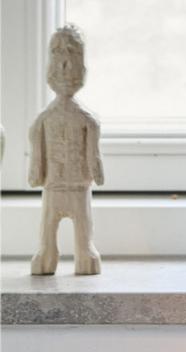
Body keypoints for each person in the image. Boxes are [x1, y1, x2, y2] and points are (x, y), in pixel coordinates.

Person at [29, 25, 104, 276]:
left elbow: (93, 150)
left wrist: (95, 169)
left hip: (79, 185)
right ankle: (46, 253)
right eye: (58, 54)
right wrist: (36, 171)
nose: (65, 65)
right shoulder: (44, 119)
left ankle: (85, 252)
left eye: (72, 55)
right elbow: (36, 144)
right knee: (49, 223)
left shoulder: (87, 120)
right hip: (53, 184)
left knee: (82, 223)